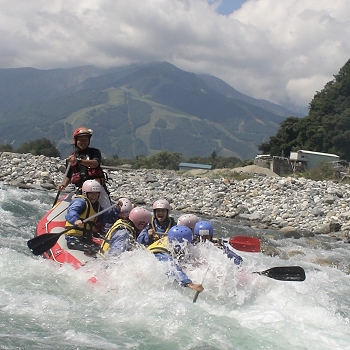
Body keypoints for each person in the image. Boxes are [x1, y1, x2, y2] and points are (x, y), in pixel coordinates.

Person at [64, 179, 121, 255]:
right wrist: (75, 220)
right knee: (96, 251)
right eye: (91, 193)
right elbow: (71, 212)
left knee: (104, 251)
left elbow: (107, 218)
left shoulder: (97, 206)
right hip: (73, 239)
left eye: (96, 193)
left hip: (86, 239)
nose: (94, 196)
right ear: (85, 193)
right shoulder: (80, 202)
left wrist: (116, 210)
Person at [148, 225, 203, 293]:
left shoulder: (171, 239)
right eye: (187, 244)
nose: (189, 246)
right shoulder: (161, 253)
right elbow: (172, 268)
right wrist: (189, 284)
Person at [57, 127, 107, 194]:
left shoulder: (94, 152)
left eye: (85, 140)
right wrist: (63, 185)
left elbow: (95, 164)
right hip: (82, 189)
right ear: (76, 141)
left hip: (97, 189)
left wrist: (79, 161)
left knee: (105, 204)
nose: (83, 142)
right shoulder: (72, 158)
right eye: (81, 140)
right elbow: (69, 176)